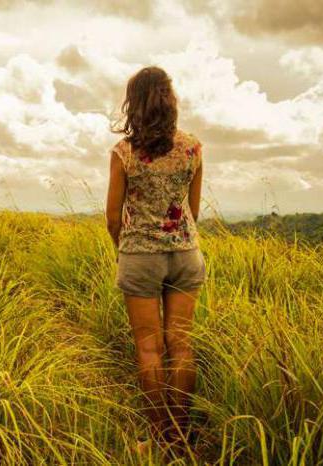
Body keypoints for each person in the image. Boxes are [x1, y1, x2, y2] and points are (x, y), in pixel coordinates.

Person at [105, 65, 206, 456]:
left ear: (136, 104)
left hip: (140, 257)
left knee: (149, 348)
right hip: (185, 253)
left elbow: (113, 216)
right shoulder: (193, 148)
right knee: (181, 344)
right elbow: (192, 210)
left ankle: (158, 437)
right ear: (170, 100)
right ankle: (180, 437)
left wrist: (124, 247)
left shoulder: (124, 152)